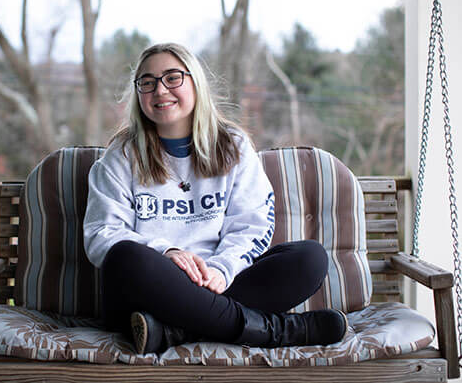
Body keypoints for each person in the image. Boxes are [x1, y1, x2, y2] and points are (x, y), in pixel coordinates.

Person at [83, 42, 347, 355]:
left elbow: (253, 224)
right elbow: (101, 235)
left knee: (309, 259)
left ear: (195, 83)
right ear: (138, 93)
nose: (159, 90)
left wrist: (221, 269)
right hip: (149, 289)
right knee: (125, 256)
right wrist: (166, 252)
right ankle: (275, 331)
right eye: (147, 82)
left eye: (172, 78)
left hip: (217, 283)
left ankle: (170, 332)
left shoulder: (232, 145)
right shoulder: (122, 155)